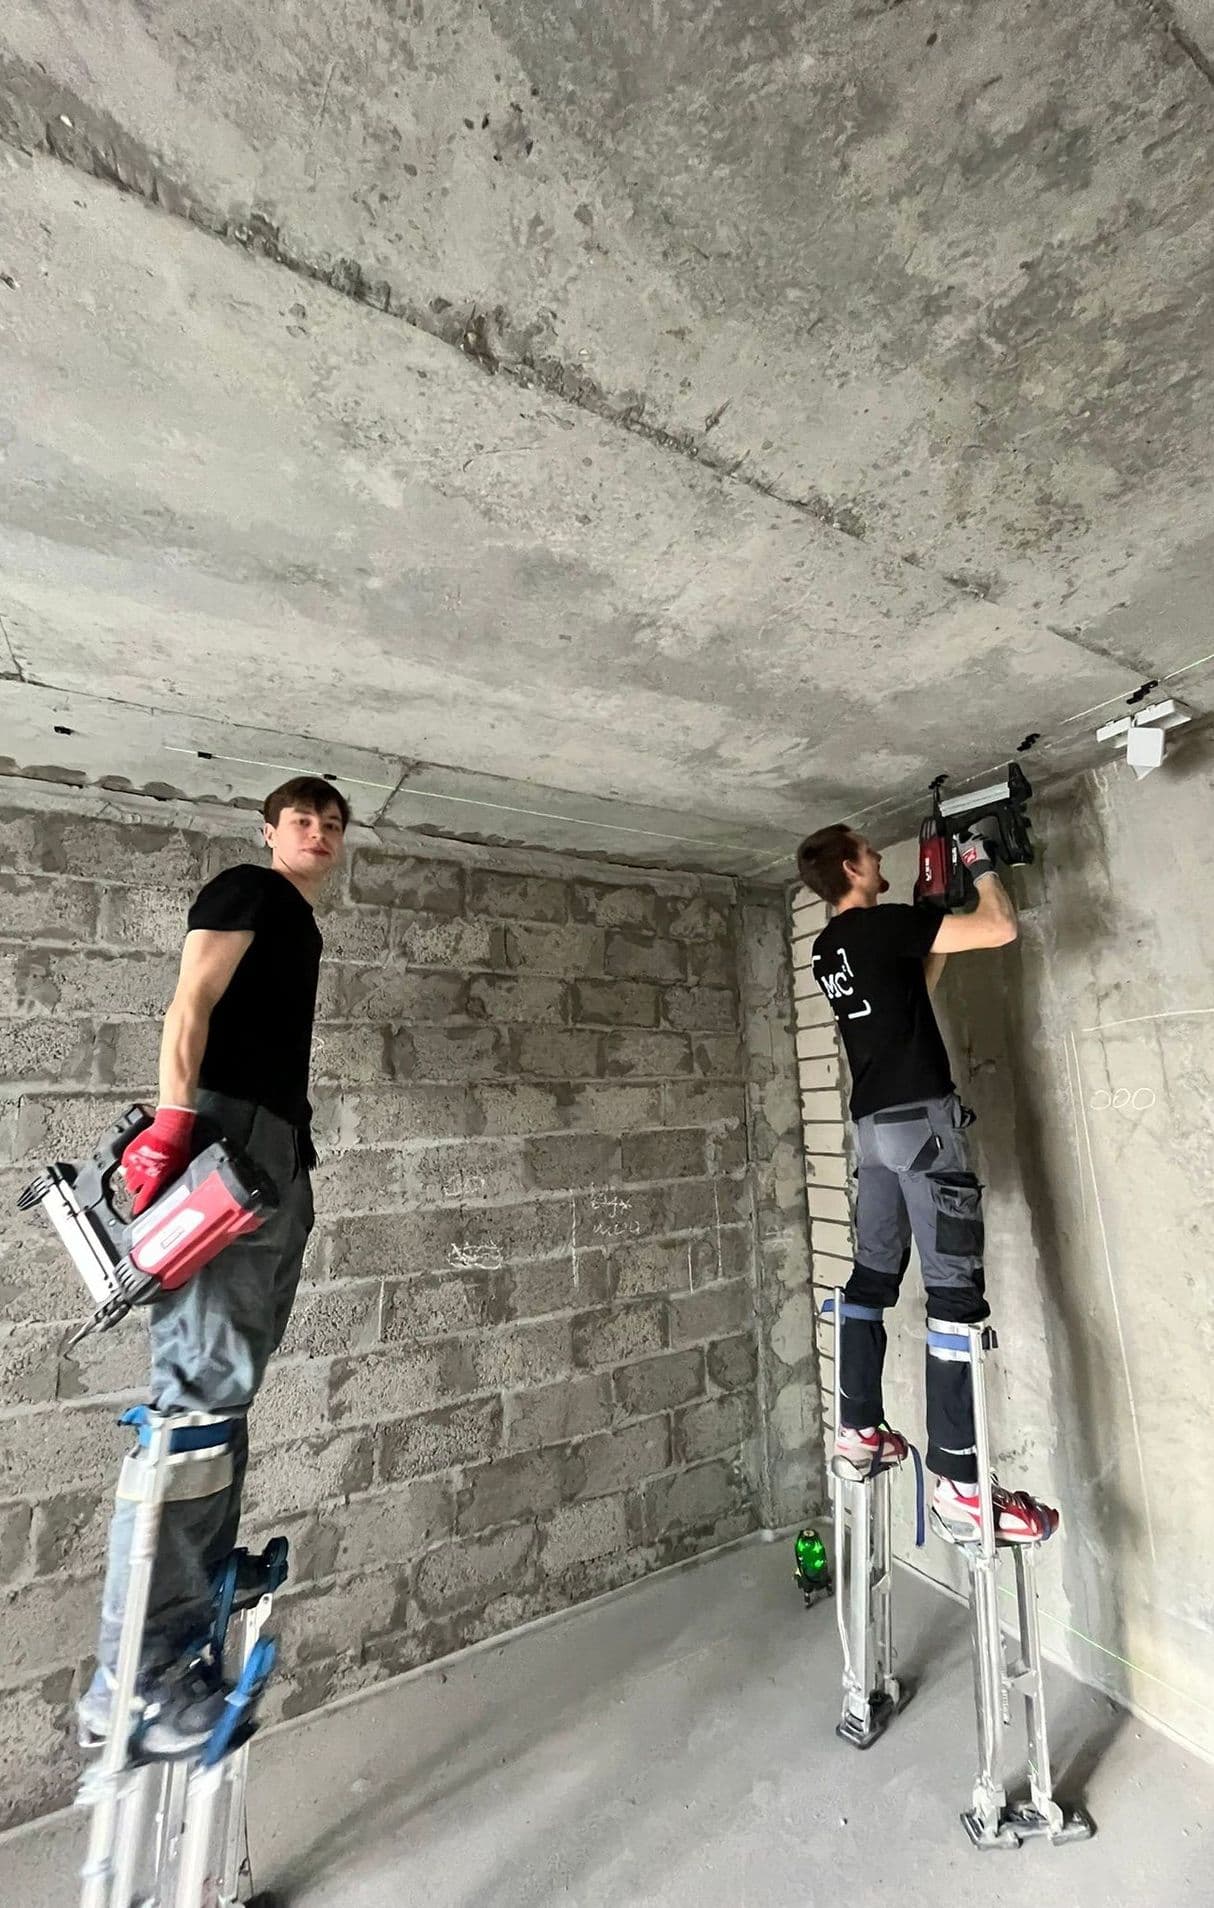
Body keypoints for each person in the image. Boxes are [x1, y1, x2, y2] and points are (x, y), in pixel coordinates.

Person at [78, 775, 350, 1756]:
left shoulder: (301, 925)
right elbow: (190, 998)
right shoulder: (250, 888)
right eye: (301, 820)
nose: (317, 833)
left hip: (274, 1151)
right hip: (225, 1139)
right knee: (195, 1396)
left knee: (225, 1388)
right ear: (268, 831)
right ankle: (136, 1682)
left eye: (332, 824)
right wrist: (175, 1122)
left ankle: (191, 1603)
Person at [798, 821, 1056, 1545]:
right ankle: (961, 1491)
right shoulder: (883, 926)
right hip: (922, 1125)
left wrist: (927, 920)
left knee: (871, 1280)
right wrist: (980, 865)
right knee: (953, 1294)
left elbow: (913, 993)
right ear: (852, 868)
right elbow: (999, 928)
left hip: (874, 1133)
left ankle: (858, 1432)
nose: (880, 854)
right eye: (868, 850)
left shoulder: (827, 950)